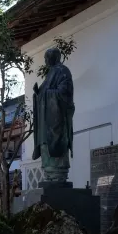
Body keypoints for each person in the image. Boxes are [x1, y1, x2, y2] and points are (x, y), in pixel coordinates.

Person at [32, 48, 75, 182]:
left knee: (56, 143)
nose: (45, 61)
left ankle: (58, 175)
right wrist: (39, 93)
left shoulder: (63, 71)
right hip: (46, 120)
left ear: (54, 58)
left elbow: (65, 92)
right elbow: (45, 91)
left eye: (46, 58)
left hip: (57, 119)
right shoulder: (50, 73)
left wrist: (46, 94)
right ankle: (49, 175)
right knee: (45, 144)